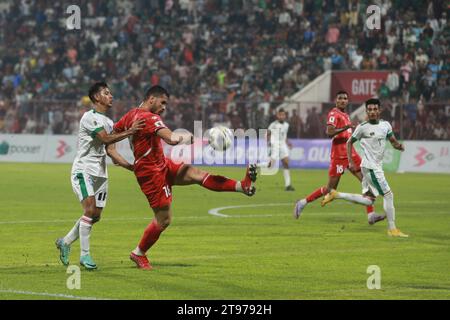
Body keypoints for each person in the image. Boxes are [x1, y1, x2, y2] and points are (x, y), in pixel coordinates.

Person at [113, 85, 257, 270]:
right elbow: (171, 139)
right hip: (151, 174)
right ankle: (138, 253)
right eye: (162, 102)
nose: (164, 107)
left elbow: (111, 138)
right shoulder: (149, 117)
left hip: (160, 164)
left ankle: (242, 186)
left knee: (196, 174)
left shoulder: (130, 115)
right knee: (164, 219)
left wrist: (123, 161)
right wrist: (185, 137)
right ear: (151, 99)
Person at [55, 82, 144, 270]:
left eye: (110, 93)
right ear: (96, 98)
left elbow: (111, 150)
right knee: (89, 210)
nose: (111, 96)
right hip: (84, 170)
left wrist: (131, 167)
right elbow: (104, 138)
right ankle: (85, 256)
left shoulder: (110, 122)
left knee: (95, 216)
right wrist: (130, 131)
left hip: (101, 173)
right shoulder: (89, 117)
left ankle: (65, 241)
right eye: (106, 93)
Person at [321, 99, 408, 238]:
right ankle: (392, 229)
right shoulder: (362, 127)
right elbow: (349, 142)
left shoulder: (386, 125)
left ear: (379, 110)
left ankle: (336, 195)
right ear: (367, 112)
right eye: (370, 110)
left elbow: (392, 141)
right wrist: (350, 161)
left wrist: (399, 146)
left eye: (375, 109)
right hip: (371, 168)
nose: (372, 112)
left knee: (369, 200)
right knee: (388, 195)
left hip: (374, 167)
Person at [294, 91, 385, 225]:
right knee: (330, 189)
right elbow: (329, 132)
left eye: (345, 98)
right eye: (340, 98)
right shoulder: (334, 114)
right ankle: (302, 202)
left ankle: (371, 215)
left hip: (351, 154)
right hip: (339, 156)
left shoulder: (346, 115)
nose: (343, 100)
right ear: (336, 101)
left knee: (368, 182)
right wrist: (345, 127)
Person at [265, 108, 295, 191]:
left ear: (285, 116)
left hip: (282, 145)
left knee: (286, 163)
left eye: (283, 115)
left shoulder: (286, 125)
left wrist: (288, 143)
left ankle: (288, 185)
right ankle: (258, 166)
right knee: (270, 166)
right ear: (277, 115)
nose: (282, 116)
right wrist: (268, 142)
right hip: (274, 145)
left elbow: (284, 136)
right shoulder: (273, 125)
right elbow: (267, 134)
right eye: (280, 115)